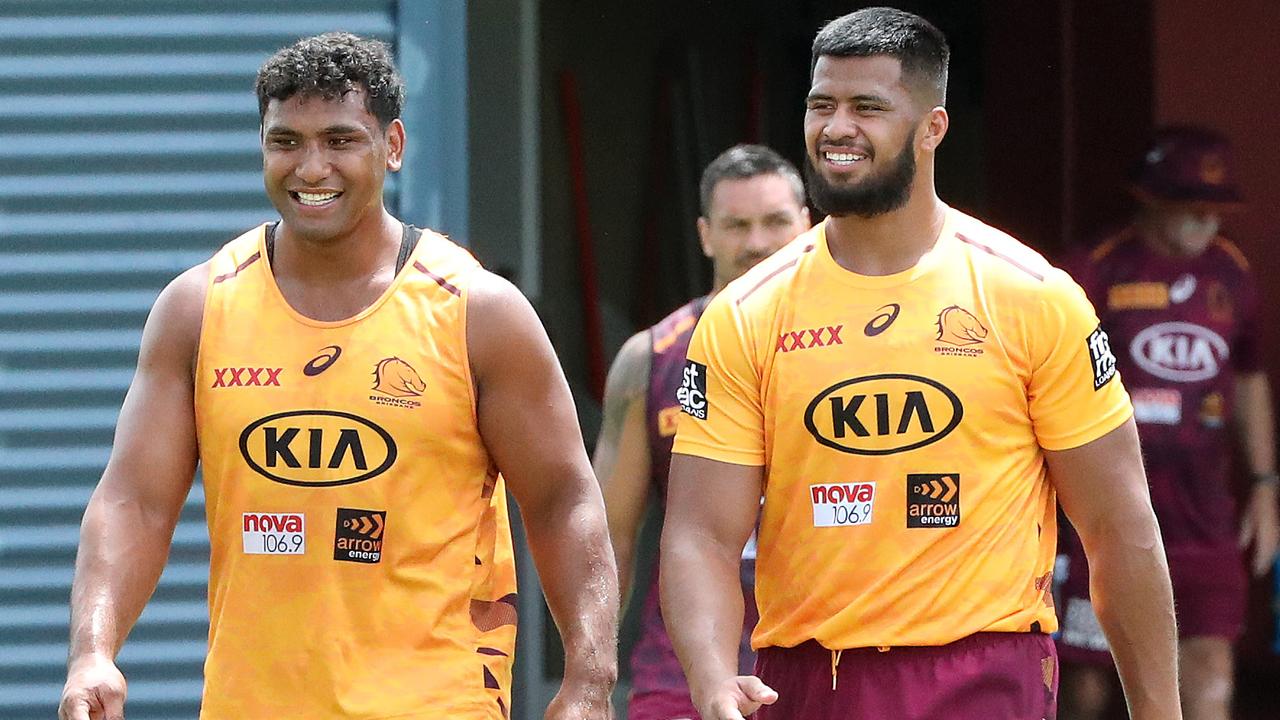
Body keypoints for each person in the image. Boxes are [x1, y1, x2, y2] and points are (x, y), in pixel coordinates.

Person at [57, 33, 617, 720]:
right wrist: (93, 649)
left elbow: (563, 499)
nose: (311, 167)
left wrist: (589, 683)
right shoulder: (199, 308)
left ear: (394, 146)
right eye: (285, 141)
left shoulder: (476, 311)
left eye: (341, 139)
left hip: (437, 703)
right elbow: (132, 504)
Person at [658, 7, 1181, 720]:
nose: (837, 128)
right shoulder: (745, 314)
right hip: (806, 682)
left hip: (987, 671)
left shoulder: (1034, 297)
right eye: (822, 105)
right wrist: (714, 676)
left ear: (933, 126)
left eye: (868, 107)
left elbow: (1118, 528)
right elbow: (700, 535)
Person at [1058, 126, 1279, 720]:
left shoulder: (1232, 271)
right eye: (1192, 209)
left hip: (1205, 508)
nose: (1207, 223)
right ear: (1151, 200)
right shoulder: (1093, 267)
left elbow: (1250, 374)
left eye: (1216, 211)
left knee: (1210, 673)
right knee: (1088, 687)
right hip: (1108, 504)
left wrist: (1264, 486)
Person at [594, 144, 809, 720]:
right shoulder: (652, 358)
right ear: (706, 235)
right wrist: (588, 677)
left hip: (825, 658)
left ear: (809, 225)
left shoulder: (861, 347)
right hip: (681, 676)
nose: (757, 242)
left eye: (776, 222)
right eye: (736, 225)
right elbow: (607, 539)